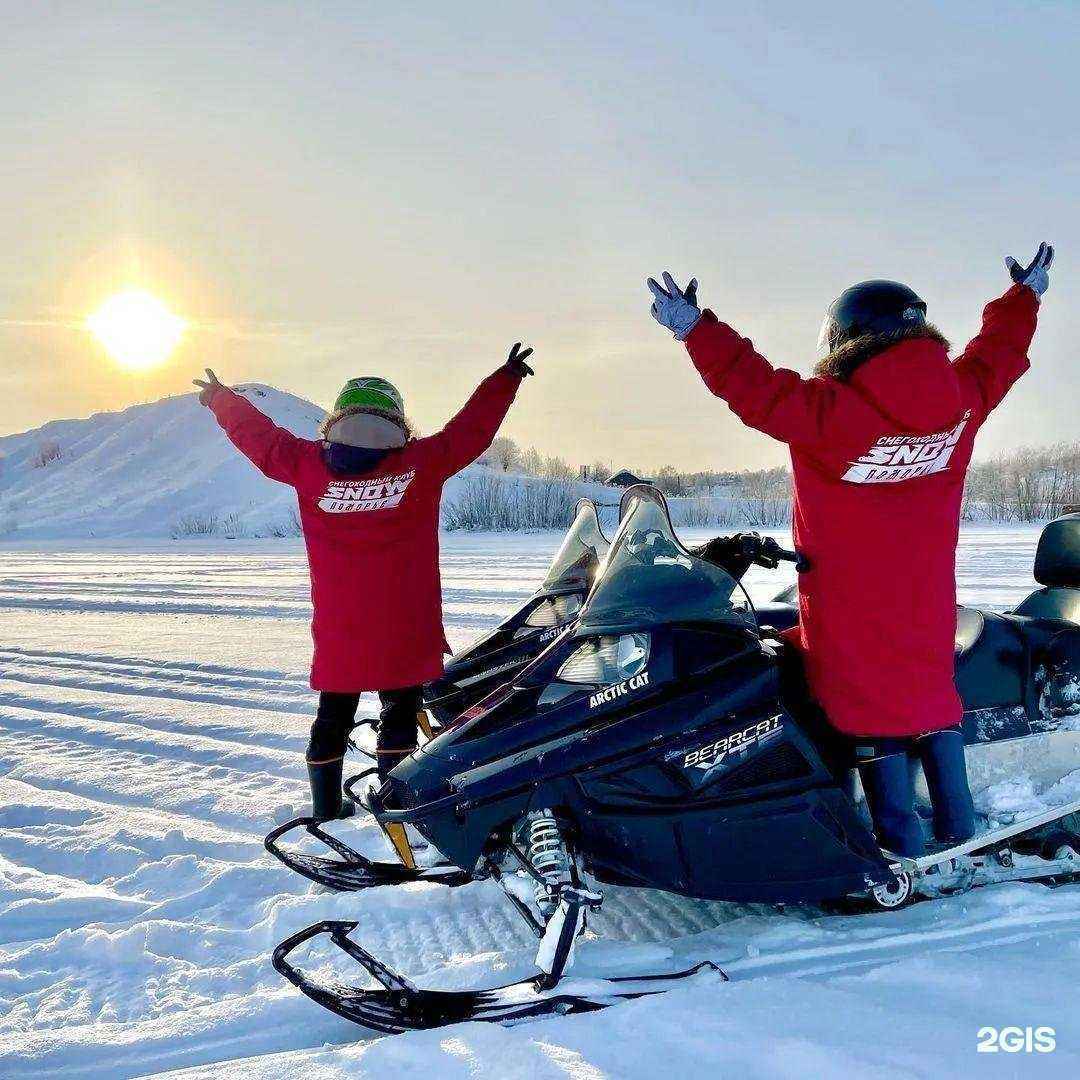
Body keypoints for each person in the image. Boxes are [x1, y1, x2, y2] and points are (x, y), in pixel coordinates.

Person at [647, 245, 1053, 855]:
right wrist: (1024, 299)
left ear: (847, 340)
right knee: (929, 705)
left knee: (870, 718)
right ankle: (959, 836)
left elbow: (754, 389)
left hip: (847, 615)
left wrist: (697, 331)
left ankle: (900, 852)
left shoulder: (827, 411)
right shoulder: (960, 402)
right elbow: (998, 357)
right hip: (925, 611)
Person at [195, 344, 534, 820]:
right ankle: (399, 810)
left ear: (339, 417)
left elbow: (263, 441)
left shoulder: (307, 463)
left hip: (341, 628)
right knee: (399, 716)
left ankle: (326, 809)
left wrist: (221, 400)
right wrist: (506, 378)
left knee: (332, 718)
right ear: (397, 419)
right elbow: (470, 432)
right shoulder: (422, 461)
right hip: (405, 624)